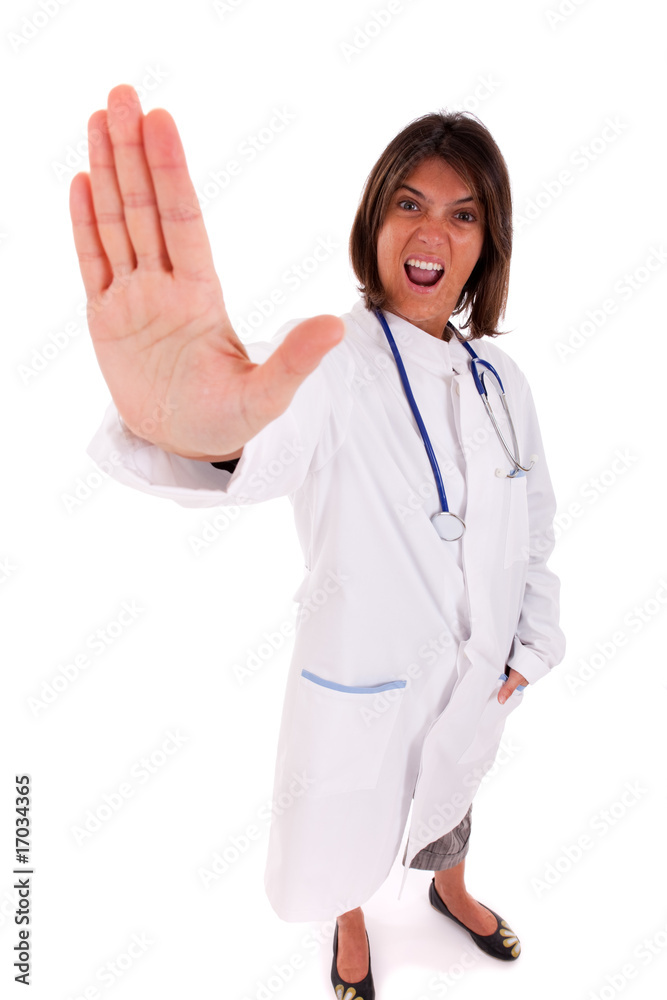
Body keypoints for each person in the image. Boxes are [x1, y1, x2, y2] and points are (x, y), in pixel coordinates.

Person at [70, 85, 565, 999]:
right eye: (409, 203)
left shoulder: (502, 382)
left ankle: (448, 889)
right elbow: (260, 434)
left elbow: (532, 522)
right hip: (362, 681)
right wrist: (200, 427)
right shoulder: (329, 358)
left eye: (463, 215)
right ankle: (350, 926)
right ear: (374, 220)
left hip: (481, 672)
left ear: (486, 244)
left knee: (455, 787)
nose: (432, 232)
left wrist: (530, 646)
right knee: (343, 823)